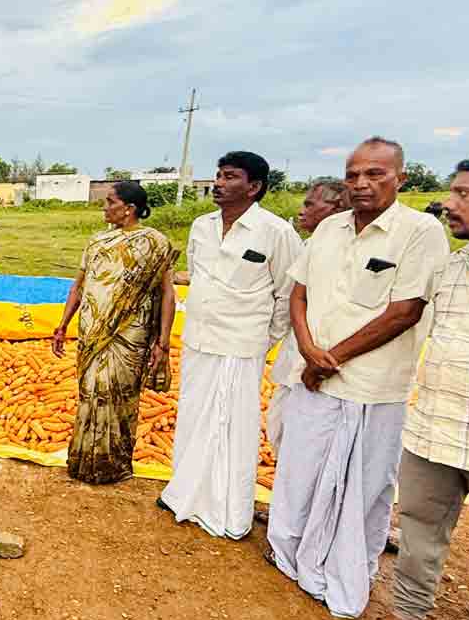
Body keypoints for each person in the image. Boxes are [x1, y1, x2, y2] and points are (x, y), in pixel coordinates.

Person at [267, 137, 449, 619]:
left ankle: (344, 575)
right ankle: (291, 555)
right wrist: (308, 349)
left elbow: (404, 311)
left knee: (361, 489)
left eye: (375, 174)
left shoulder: (420, 231)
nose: (362, 184)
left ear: (401, 178)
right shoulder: (329, 229)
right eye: (353, 175)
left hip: (370, 388)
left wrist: (331, 358)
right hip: (312, 378)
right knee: (300, 474)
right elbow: (299, 293)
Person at [341, 156, 469, 620]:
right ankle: (408, 617)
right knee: (421, 527)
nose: (450, 203)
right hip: (435, 426)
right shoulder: (453, 265)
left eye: (465, 194)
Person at [158, 151, 302, 539]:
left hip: (242, 343)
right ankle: (183, 493)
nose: (219, 183)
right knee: (193, 416)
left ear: (253, 187)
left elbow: (288, 294)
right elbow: (197, 278)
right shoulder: (201, 227)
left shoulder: (276, 232)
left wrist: (264, 337)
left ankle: (227, 510)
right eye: (218, 175)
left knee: (233, 425)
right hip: (199, 338)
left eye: (230, 176)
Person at [52, 181, 177, 484]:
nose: (105, 207)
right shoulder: (96, 242)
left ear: (128, 209)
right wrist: (62, 325)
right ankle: (83, 462)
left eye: (110, 202)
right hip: (92, 334)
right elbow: (78, 287)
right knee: (91, 392)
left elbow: (167, 295)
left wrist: (163, 343)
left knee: (117, 395)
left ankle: (112, 465)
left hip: (129, 336)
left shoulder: (155, 244)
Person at [264, 179, 353, 454]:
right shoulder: (310, 244)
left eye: (309, 204)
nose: (301, 210)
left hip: (323, 360)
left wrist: (314, 354)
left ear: (336, 207)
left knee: (309, 444)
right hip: (296, 354)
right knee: (281, 431)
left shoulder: (347, 249)